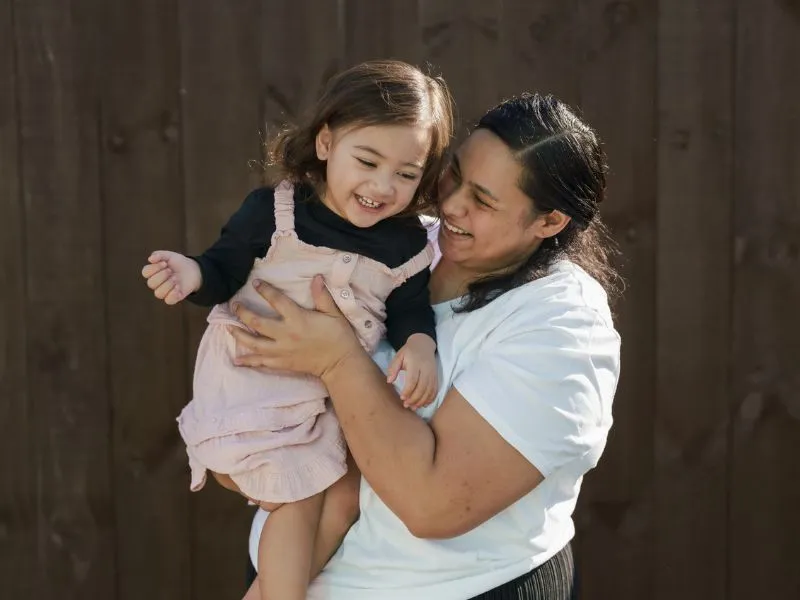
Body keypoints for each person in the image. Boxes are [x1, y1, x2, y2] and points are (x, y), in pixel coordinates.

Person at [231, 92, 622, 600]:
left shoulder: (562, 327)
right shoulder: (399, 243)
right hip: (286, 571)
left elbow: (432, 505)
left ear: (549, 222)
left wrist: (336, 359)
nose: (452, 203)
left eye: (483, 200)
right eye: (454, 174)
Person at [139, 60, 454, 600]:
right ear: (327, 144)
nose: (382, 186)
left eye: (406, 174)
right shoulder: (275, 212)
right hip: (255, 377)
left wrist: (419, 343)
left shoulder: (405, 245)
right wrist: (191, 273)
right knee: (301, 497)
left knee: (343, 497)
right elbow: (222, 268)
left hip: (324, 395)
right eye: (368, 160)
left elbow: (410, 310)